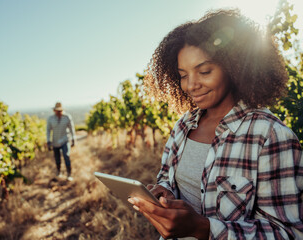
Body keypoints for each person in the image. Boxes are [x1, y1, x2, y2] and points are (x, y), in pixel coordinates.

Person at [128, 9, 303, 239]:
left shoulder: (270, 136)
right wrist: (164, 193)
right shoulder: (184, 125)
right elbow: (166, 176)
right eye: (183, 75)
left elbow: (288, 233)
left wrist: (201, 228)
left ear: (235, 67)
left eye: (204, 71)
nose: (191, 85)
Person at [47, 102, 75, 180]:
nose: (59, 112)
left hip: (65, 140)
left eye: (60, 111)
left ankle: (69, 174)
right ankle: (58, 172)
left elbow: (71, 128)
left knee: (66, 155)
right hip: (55, 141)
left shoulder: (67, 117)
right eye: (57, 111)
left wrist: (73, 139)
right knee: (57, 158)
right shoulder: (51, 119)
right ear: (54, 111)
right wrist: (48, 141)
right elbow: (48, 130)